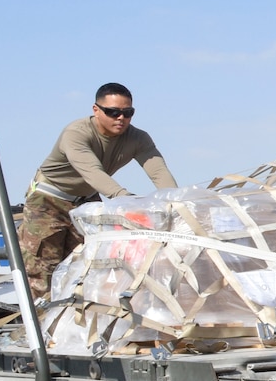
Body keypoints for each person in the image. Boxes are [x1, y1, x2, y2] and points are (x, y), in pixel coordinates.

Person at [17, 82, 177, 302]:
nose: (120, 118)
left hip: (86, 201)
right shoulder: (76, 133)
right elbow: (92, 172)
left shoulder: (138, 138)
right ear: (96, 110)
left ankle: (82, 329)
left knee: (91, 267)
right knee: (42, 271)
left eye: (127, 112)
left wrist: (178, 204)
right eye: (113, 112)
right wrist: (127, 200)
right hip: (49, 201)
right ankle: (43, 332)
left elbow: (159, 172)